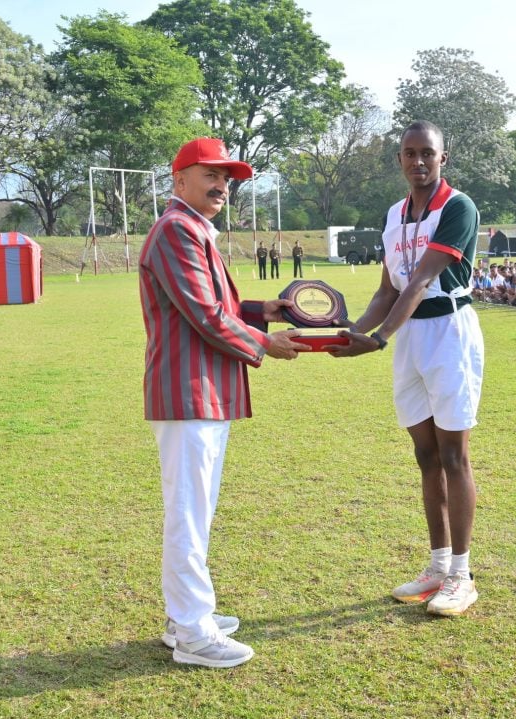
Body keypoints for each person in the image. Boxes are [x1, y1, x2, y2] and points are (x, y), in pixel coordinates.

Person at [139, 137, 305, 668]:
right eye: (209, 174)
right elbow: (206, 317)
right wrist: (264, 343)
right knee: (188, 514)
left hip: (204, 390)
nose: (221, 186)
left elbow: (221, 306)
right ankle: (191, 632)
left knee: (196, 511)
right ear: (179, 179)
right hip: (188, 392)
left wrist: (265, 310)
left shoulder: (193, 228)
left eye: (227, 178)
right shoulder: (176, 230)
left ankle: (185, 616)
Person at [326, 120, 484, 617]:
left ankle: (462, 574)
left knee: (454, 455)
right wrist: (352, 331)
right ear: (399, 159)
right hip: (409, 337)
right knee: (425, 454)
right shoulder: (394, 213)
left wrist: (376, 339)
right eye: (409, 153)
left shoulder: (458, 207)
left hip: (447, 332)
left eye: (427, 154)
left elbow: (420, 280)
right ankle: (437, 566)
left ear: (443, 158)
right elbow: (387, 290)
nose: (418, 162)